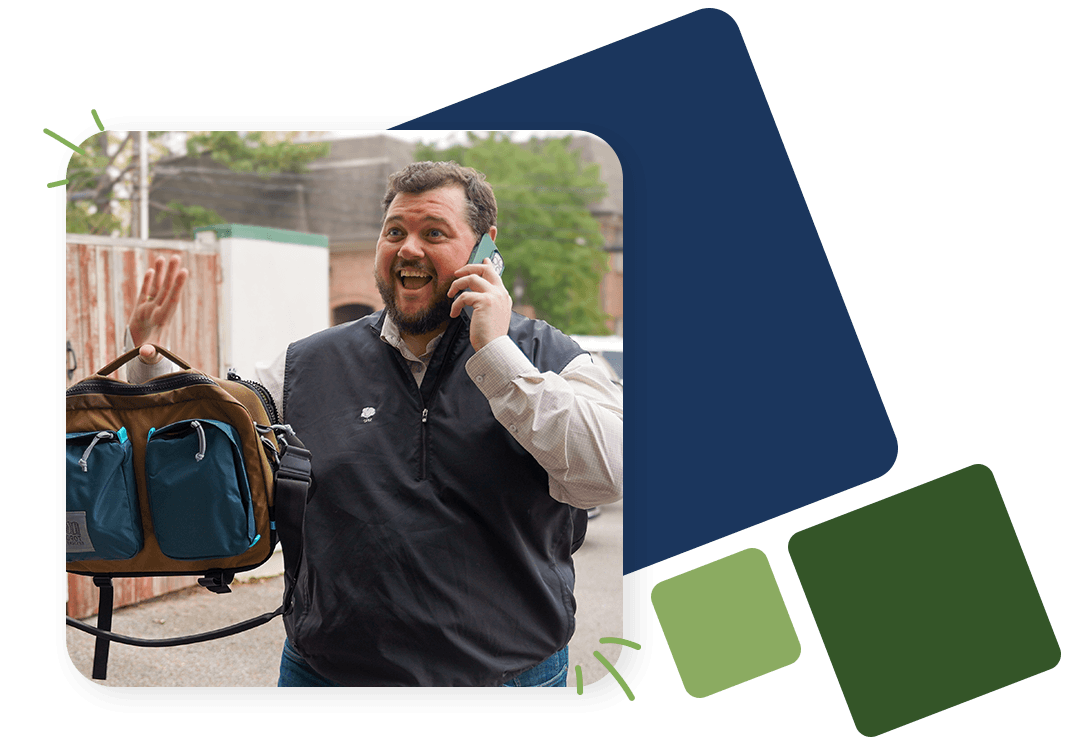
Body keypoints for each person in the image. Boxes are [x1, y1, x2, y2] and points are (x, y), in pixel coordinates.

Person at [125, 161, 623, 687]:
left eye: (434, 232)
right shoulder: (304, 365)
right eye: (394, 232)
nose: (408, 248)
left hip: (508, 677)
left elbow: (609, 472)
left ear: (485, 246)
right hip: (326, 675)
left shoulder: (550, 357)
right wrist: (150, 365)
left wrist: (497, 355)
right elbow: (211, 443)